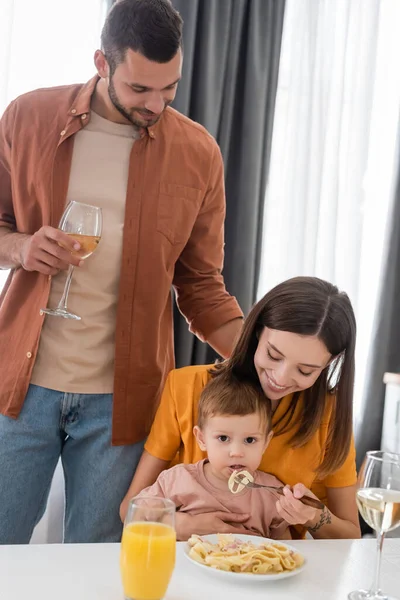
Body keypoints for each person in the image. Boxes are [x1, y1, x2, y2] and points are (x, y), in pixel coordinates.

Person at [0, 0, 243, 544]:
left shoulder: (198, 153)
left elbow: (201, 286)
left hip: (124, 402)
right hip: (18, 387)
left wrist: (260, 361)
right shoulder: (27, 117)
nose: (157, 104)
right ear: (101, 63)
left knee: (99, 564)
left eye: (170, 88)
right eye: (140, 89)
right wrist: (20, 248)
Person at [121, 276, 362, 541]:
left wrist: (313, 517)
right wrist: (185, 524)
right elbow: (130, 510)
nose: (280, 378)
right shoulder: (187, 386)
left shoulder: (328, 414)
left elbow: (350, 536)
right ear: (257, 330)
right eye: (273, 355)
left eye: (305, 370)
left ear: (331, 361)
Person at [133, 372, 291, 540]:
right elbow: (136, 517)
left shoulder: (272, 494)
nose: (236, 452)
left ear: (266, 443)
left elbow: (286, 550)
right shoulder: (177, 480)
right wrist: (172, 522)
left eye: (250, 440)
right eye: (223, 438)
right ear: (201, 439)